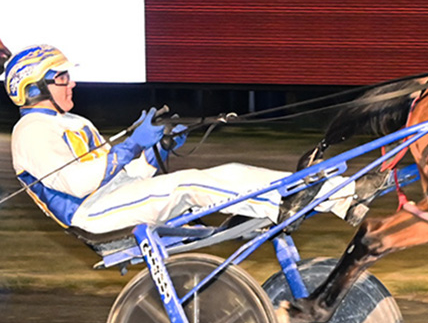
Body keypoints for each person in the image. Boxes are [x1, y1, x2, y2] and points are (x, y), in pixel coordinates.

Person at [4, 44, 378, 235]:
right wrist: (133, 144)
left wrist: (155, 151)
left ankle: (341, 194)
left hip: (113, 198)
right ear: (34, 88)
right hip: (92, 214)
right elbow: (78, 183)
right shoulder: (31, 132)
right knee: (190, 183)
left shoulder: (73, 121)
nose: (71, 83)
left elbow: (124, 175)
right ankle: (286, 204)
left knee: (227, 171)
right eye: (61, 78)